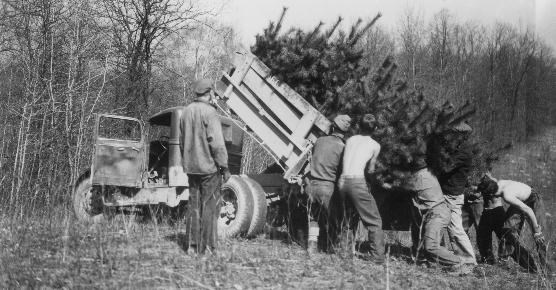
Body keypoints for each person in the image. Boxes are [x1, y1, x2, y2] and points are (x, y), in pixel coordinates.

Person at [179, 78, 231, 255]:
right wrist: (224, 167)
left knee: (194, 205)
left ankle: (192, 247)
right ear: (209, 93)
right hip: (209, 169)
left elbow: (181, 141)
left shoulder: (185, 112)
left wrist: (186, 161)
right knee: (209, 207)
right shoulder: (210, 113)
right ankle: (208, 247)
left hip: (191, 168)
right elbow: (216, 143)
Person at [401, 163, 469, 270]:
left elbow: (398, 184)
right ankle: (431, 262)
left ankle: (459, 262)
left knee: (431, 246)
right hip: (433, 213)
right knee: (426, 244)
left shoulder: (420, 175)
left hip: (437, 213)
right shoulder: (426, 172)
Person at [476, 174, 548, 273]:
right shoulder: (497, 183)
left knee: (540, 237)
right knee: (507, 230)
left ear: (492, 195)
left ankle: (547, 270)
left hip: (533, 200)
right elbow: (489, 178)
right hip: (521, 199)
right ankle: (508, 259)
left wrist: (536, 230)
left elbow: (528, 210)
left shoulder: (507, 195)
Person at [338, 114, 384, 263]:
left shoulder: (350, 140)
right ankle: (377, 256)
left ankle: (345, 252)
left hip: (342, 182)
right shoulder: (375, 145)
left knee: (348, 218)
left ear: (359, 126)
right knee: (374, 221)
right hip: (357, 182)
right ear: (375, 128)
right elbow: (370, 170)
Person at [306, 114, 351, 253]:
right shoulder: (342, 147)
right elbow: (342, 170)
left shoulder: (319, 141)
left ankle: (312, 246)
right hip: (328, 187)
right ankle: (334, 248)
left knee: (314, 217)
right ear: (345, 131)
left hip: (311, 185)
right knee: (336, 219)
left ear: (333, 126)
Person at [438, 122, 477, 264]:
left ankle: (468, 260)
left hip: (452, 194)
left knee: (454, 228)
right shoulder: (458, 148)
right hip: (449, 192)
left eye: (452, 134)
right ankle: (440, 255)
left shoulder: (463, 152)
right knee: (438, 223)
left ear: (460, 136)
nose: (449, 137)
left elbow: (445, 168)